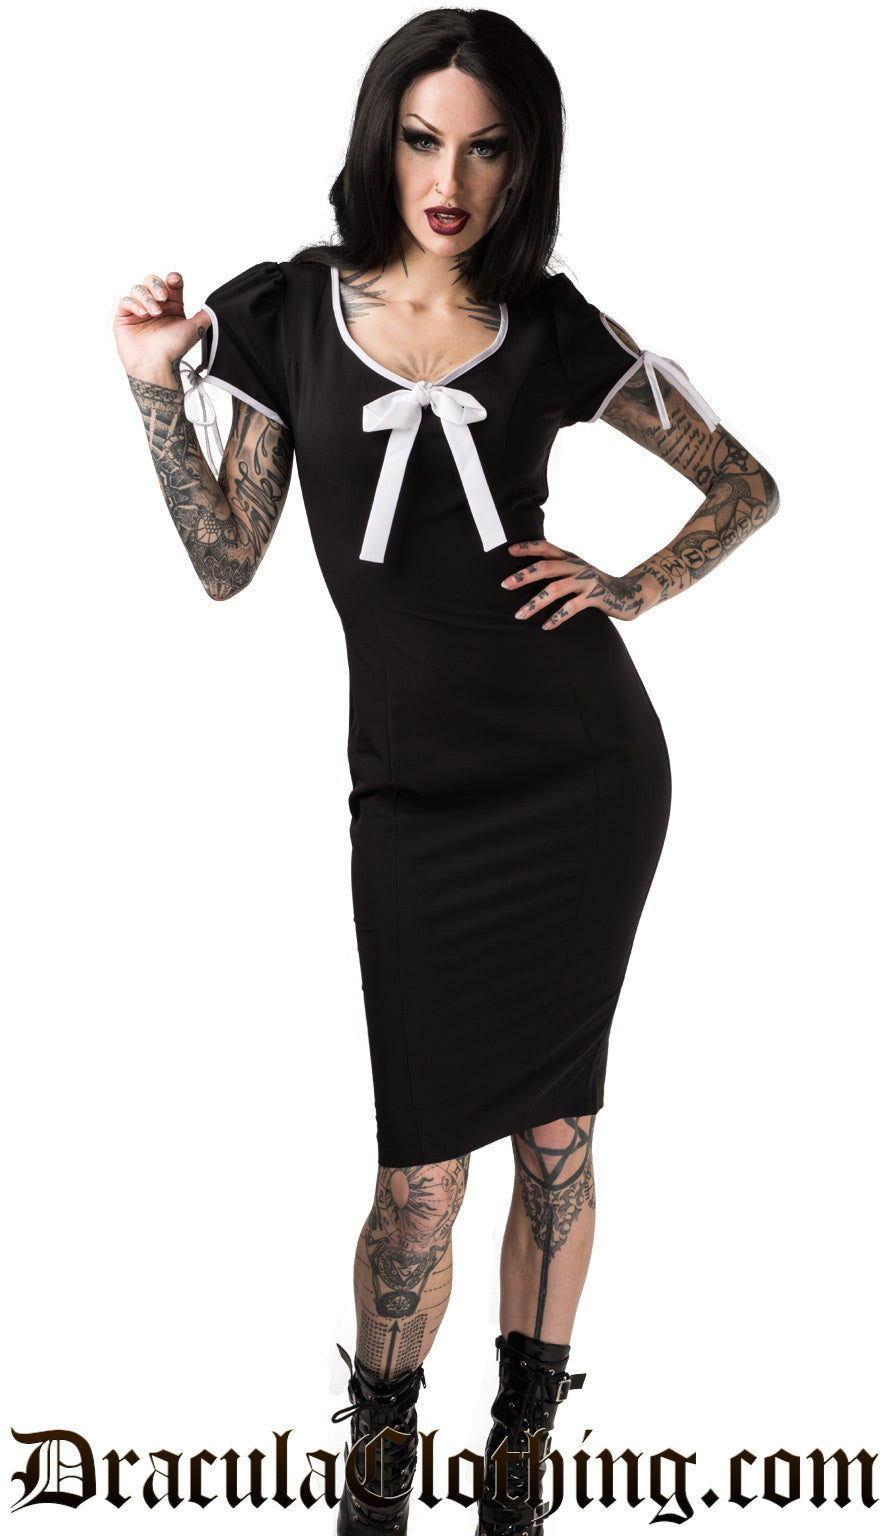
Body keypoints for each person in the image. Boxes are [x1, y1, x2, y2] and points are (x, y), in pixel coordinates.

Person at [113, 8, 779, 1532]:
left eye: (486, 148)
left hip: (581, 772)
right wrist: (153, 381)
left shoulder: (546, 325)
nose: (450, 179)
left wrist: (627, 588)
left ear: (524, 161)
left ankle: (519, 1470)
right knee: (418, 1172)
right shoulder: (287, 311)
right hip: (413, 794)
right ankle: (377, 1481)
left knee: (556, 1136)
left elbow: (742, 485)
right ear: (380, 140)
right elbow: (224, 560)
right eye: (423, 139)